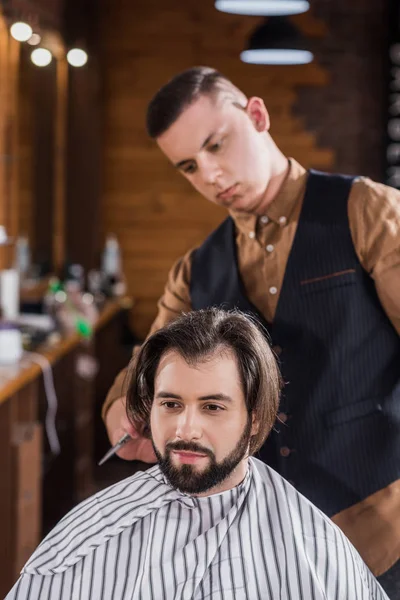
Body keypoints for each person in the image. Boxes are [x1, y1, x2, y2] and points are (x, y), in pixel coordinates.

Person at [103, 67, 400, 596]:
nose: (212, 175)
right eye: (190, 166)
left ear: (257, 116)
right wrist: (129, 412)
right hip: (259, 544)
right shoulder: (196, 269)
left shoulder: (367, 212)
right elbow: (142, 375)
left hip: (380, 528)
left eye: (217, 145)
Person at [6, 309, 389, 599]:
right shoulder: (87, 537)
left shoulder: (313, 548)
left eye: (213, 407)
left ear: (254, 419)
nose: (186, 430)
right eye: (171, 404)